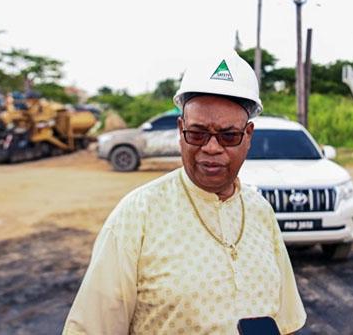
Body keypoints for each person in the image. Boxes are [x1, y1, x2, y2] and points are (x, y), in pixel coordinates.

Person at [63, 51, 306, 334]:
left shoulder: (261, 212)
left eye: (228, 136)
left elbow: (287, 322)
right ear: (181, 131)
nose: (212, 147)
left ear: (248, 136)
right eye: (198, 133)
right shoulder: (137, 215)